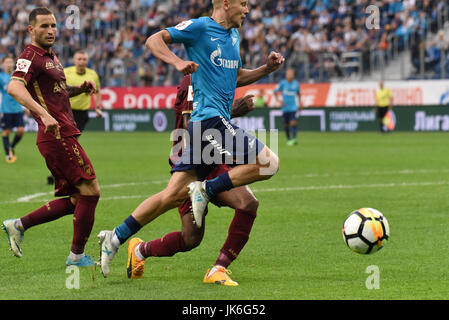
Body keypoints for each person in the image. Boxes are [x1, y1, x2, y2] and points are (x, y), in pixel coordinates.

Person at [98, 0, 284, 279]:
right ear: (225, 3)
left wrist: (265, 70)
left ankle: (115, 238)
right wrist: (177, 61)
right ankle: (207, 191)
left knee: (171, 197)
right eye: (243, 4)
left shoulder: (233, 35)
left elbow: (235, 76)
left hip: (207, 128)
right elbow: (153, 39)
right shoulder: (199, 28)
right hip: (208, 123)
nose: (247, 10)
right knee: (269, 163)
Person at [127, 74, 258, 286]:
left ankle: (217, 268)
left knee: (247, 204)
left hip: (211, 159)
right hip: (192, 164)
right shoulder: (193, 80)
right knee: (191, 238)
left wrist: (269, 67)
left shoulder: (215, 78)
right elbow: (192, 125)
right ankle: (139, 248)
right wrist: (235, 111)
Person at [2, 7, 100, 267]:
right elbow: (14, 86)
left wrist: (79, 89)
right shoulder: (30, 56)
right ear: (31, 29)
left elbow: (57, 90)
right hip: (56, 134)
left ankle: (18, 225)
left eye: (53, 26)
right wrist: (43, 115)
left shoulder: (51, 57)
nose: (50, 31)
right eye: (44, 26)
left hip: (61, 133)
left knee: (79, 198)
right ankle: (76, 257)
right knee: (91, 191)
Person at [64, 50, 102, 132]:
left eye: (84, 59)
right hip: (66, 111)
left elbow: (97, 91)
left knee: (73, 138)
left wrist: (98, 107)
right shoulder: (65, 72)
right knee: (67, 138)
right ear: (74, 61)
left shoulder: (93, 74)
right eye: (79, 59)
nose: (81, 61)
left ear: (88, 61)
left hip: (82, 113)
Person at [0, 56, 28, 163]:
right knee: (6, 132)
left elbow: (23, 91)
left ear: (14, 64)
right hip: (5, 110)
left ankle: (11, 146)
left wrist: (25, 106)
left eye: (11, 62)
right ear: (3, 64)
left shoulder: (18, 76)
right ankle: (8, 154)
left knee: (21, 130)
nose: (9, 64)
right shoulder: (1, 77)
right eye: (7, 62)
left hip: (17, 109)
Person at [273, 68, 302, 146]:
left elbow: (299, 94)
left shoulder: (296, 84)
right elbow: (274, 91)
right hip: (285, 108)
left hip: (293, 107)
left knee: (293, 122)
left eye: (291, 74)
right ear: (286, 75)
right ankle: (289, 139)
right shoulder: (282, 83)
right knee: (286, 124)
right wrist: (279, 101)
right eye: (289, 74)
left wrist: (300, 103)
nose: (290, 75)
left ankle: (294, 139)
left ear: (293, 75)